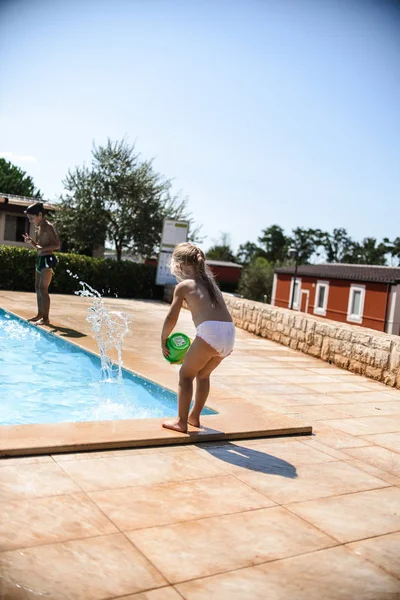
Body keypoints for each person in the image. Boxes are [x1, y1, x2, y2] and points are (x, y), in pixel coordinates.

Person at [161, 242, 235, 433]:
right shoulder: (212, 285)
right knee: (203, 374)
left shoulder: (184, 286)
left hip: (211, 333)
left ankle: (181, 422)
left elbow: (172, 316)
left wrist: (163, 338)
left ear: (179, 266)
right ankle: (194, 417)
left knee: (185, 375)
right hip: (229, 335)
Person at [22, 202, 60, 326]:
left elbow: (56, 245)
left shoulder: (48, 226)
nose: (31, 221)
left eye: (32, 218)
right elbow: (39, 247)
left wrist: (42, 249)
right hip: (41, 259)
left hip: (47, 259)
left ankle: (46, 318)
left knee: (43, 289)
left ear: (40, 214)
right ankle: (40, 314)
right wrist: (31, 242)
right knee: (38, 287)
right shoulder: (39, 227)